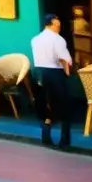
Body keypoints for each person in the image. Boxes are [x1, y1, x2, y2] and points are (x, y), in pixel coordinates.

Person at [30, 14, 73, 150]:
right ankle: (64, 140)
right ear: (49, 24)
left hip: (39, 72)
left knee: (43, 103)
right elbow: (64, 59)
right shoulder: (58, 40)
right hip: (54, 72)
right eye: (57, 25)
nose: (59, 27)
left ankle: (45, 135)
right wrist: (67, 73)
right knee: (63, 105)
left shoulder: (35, 40)